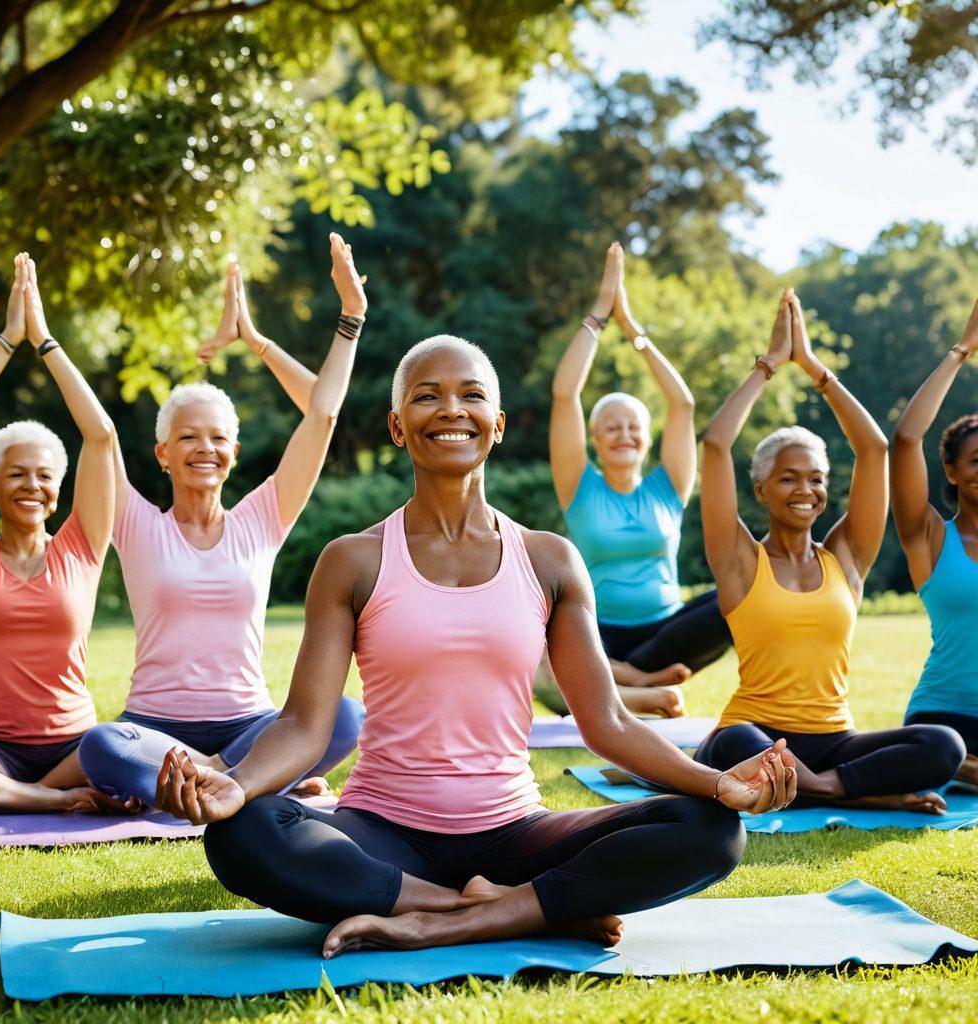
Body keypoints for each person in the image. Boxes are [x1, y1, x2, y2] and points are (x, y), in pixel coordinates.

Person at [157, 333, 796, 958]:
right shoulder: (352, 561)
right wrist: (235, 785)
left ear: (497, 425)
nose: (451, 410)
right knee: (241, 830)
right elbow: (303, 725)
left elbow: (606, 722)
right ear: (397, 426)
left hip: (514, 833)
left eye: (471, 395)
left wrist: (715, 785)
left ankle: (447, 919)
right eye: (427, 396)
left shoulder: (551, 561)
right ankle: (486, 909)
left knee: (712, 830)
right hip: (381, 831)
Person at [78, 235, 366, 808]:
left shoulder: (263, 516)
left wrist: (336, 321)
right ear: (163, 453)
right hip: (155, 732)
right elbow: (98, 431)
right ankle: (253, 780)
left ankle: (215, 776)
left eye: (217, 439)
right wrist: (44, 343)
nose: (203, 448)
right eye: (187, 437)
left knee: (345, 716)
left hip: (251, 723)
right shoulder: (133, 521)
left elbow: (324, 411)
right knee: (100, 745)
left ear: (233, 452)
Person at [695, 288, 965, 813]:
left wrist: (816, 368)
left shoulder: (846, 556)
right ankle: (863, 794)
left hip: (835, 739)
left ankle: (819, 788)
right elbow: (715, 445)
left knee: (943, 745)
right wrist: (769, 366)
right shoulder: (739, 559)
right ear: (761, 489)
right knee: (734, 744)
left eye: (816, 479)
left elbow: (875, 449)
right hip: (756, 736)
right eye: (789, 478)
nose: (805, 490)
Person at [0, 253, 116, 812]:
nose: (31, 485)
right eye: (15, 474)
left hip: (74, 744)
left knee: (124, 751)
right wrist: (6, 340)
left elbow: (101, 436)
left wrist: (44, 341)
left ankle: (24, 794)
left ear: (59, 488)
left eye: (44, 475)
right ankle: (45, 800)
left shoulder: (83, 545)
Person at [550, 243, 730, 718]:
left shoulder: (668, 486)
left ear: (648, 439)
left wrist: (633, 330)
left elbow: (684, 405)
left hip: (666, 634)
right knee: (538, 632)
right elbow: (565, 392)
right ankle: (639, 691)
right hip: (594, 634)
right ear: (593, 437)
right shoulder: (579, 486)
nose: (623, 433)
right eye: (611, 425)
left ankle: (610, 691)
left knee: (741, 591)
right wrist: (599, 315)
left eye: (633, 426)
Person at [891, 295, 978, 788]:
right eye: (976, 460)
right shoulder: (929, 537)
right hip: (943, 716)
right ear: (951, 471)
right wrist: (962, 349)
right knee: (938, 751)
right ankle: (957, 767)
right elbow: (905, 439)